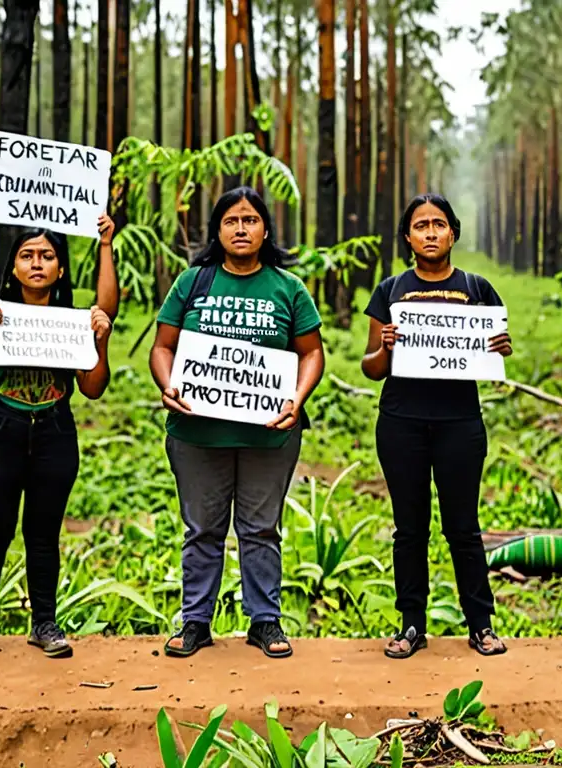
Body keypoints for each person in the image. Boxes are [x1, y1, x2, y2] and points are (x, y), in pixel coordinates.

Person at [0, 195, 120, 664]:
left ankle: (44, 624)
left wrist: (105, 248)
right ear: (14, 267)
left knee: (43, 533)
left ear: (61, 269)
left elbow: (94, 387)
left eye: (47, 255)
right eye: (27, 255)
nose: (37, 263)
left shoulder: (76, 321)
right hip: (1, 427)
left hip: (55, 430)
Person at [149, 187, 325, 659]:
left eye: (250, 220)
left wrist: (297, 397)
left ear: (266, 230)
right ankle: (195, 623)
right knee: (202, 528)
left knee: (261, 527)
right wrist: (168, 386)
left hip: (270, 433)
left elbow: (311, 353)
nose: (241, 228)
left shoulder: (288, 288)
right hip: (198, 432)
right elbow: (163, 347)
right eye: (231, 221)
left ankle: (265, 621)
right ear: (217, 231)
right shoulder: (192, 282)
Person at [361, 193, 513, 659]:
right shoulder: (390, 290)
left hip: (460, 423)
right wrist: (385, 347)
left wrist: (499, 348)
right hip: (401, 422)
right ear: (407, 237)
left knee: (463, 528)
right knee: (409, 529)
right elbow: (370, 368)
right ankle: (411, 625)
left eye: (439, 224)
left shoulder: (477, 287)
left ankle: (481, 626)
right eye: (421, 225)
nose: (430, 232)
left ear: (453, 233)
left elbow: (492, 352)